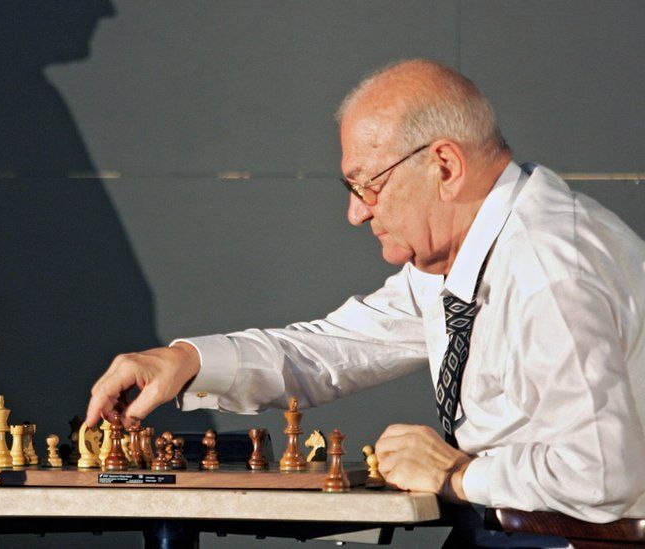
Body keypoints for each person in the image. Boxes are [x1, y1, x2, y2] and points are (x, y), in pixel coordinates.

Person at [86, 59, 645, 544]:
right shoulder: (465, 255)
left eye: (367, 185)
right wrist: (187, 361)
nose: (357, 213)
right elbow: (337, 348)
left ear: (444, 166)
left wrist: (458, 474)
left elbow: (599, 474)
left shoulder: (548, 267)